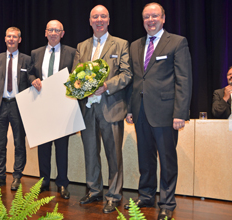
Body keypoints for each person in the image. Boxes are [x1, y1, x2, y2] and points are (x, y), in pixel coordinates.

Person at [126, 3, 192, 220]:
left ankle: (166, 201)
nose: (150, 20)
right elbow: (135, 81)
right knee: (145, 158)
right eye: (146, 16)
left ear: (163, 18)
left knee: (167, 159)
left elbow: (183, 79)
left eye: (155, 16)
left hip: (165, 112)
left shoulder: (177, 42)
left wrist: (180, 113)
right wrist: (130, 108)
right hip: (140, 111)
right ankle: (146, 195)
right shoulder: (135, 45)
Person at [72, 5, 132, 214]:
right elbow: (75, 74)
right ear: (90, 21)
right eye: (95, 17)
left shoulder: (121, 44)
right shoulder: (82, 46)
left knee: (113, 155)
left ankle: (114, 195)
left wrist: (106, 86)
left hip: (111, 107)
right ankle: (94, 190)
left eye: (103, 16)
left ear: (108, 20)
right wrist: (80, 87)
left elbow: (126, 74)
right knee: (90, 153)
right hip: (87, 109)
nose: (99, 20)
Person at [28, 20, 76, 199]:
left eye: (57, 30)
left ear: (62, 33)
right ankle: (44, 182)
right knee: (44, 147)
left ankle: (62, 183)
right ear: (45, 32)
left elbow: (76, 75)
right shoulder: (36, 53)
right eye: (51, 30)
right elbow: (31, 72)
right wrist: (33, 79)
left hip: (63, 106)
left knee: (62, 147)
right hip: (42, 106)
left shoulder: (72, 52)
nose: (54, 33)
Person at [0, 27, 31, 191]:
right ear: (5, 39)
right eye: (9, 36)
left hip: (19, 106)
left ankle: (17, 176)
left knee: (19, 143)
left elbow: (31, 82)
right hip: (0, 106)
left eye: (15, 36)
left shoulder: (27, 59)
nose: (11, 39)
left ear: (20, 39)